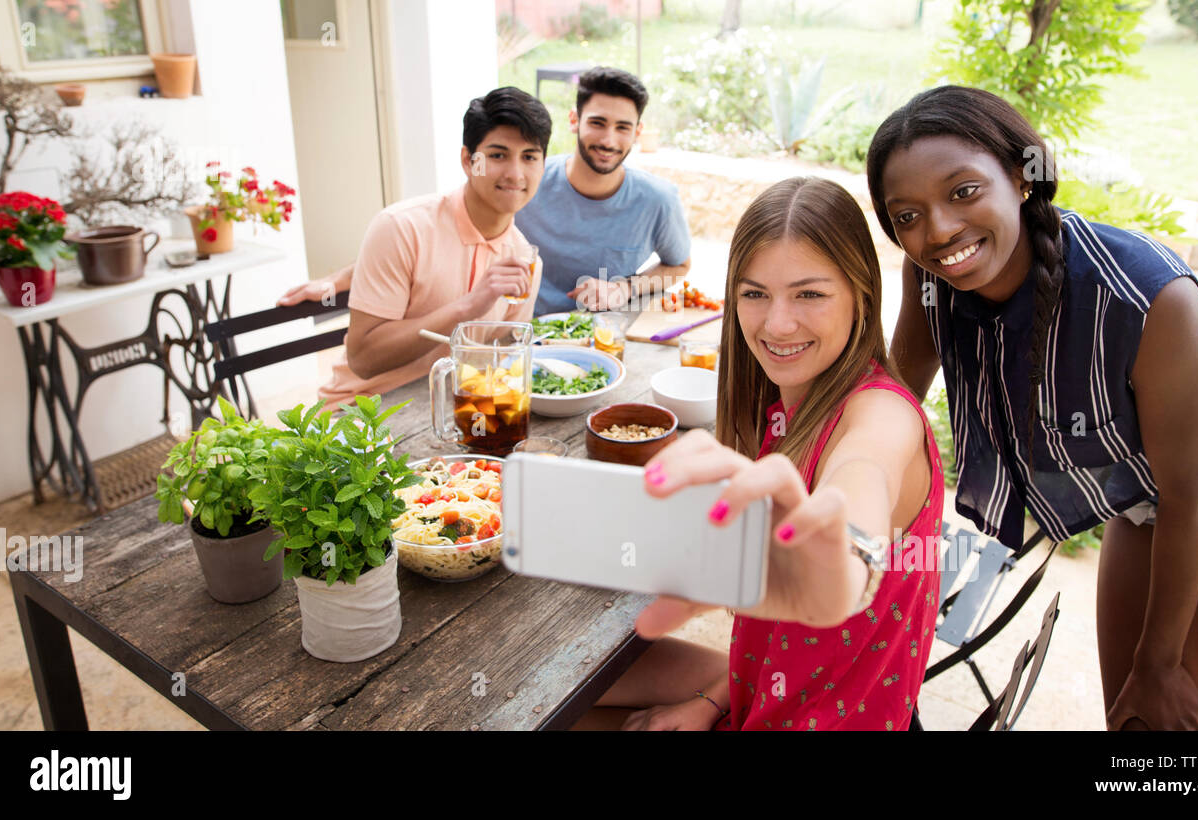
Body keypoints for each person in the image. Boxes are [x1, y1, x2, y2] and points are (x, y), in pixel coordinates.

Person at [867, 84, 1198, 731]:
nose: (939, 229)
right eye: (907, 215)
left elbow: (1193, 494)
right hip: (1153, 488)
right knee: (1140, 725)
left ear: (1021, 176)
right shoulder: (932, 279)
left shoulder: (1142, 290)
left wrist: (1161, 663)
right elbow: (889, 409)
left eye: (963, 191)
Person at [575, 177, 945, 731]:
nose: (777, 324)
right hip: (763, 689)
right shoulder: (779, 408)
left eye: (810, 294)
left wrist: (844, 563)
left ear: (862, 294)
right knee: (550, 678)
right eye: (754, 294)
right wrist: (710, 699)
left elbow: (863, 475)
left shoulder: (883, 415)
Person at [292, 87, 551, 410]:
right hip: (361, 412)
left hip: (450, 412)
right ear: (468, 161)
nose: (515, 173)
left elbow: (499, 368)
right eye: (498, 155)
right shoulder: (401, 227)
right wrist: (467, 307)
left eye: (529, 157)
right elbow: (362, 360)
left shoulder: (524, 260)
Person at [514, 66, 692, 314]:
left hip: (607, 338)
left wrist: (624, 288)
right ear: (574, 120)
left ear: (637, 132)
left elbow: (679, 266)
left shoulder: (658, 200)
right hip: (525, 335)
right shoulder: (527, 183)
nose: (609, 141)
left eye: (622, 128)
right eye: (598, 123)